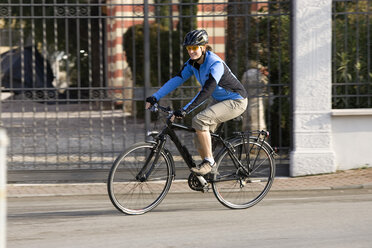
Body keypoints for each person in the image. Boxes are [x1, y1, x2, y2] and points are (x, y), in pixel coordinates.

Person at [146, 29, 248, 176]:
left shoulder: (215, 64)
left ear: (203, 47)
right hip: (219, 99)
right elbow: (176, 80)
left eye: (194, 48)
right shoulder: (192, 64)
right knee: (199, 138)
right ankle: (211, 172)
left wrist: (186, 109)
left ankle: (209, 163)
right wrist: (155, 96)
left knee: (199, 120)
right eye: (189, 48)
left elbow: (206, 91)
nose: (191, 51)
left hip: (236, 101)